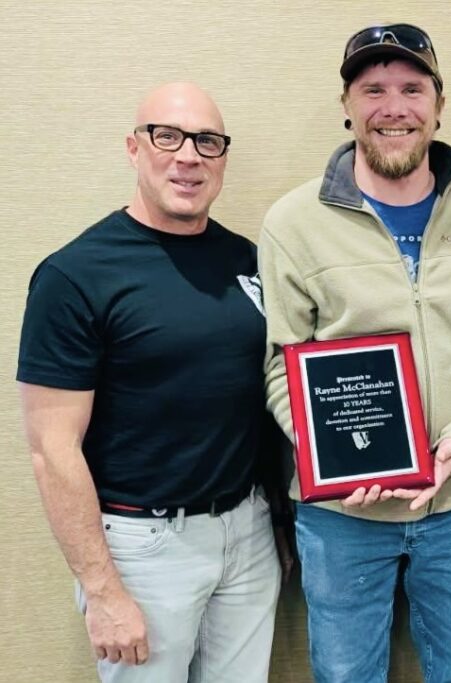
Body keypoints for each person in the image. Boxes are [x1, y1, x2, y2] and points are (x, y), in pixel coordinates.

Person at [259, 23, 451, 682]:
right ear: (347, 106)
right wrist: (334, 456)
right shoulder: (292, 224)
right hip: (341, 517)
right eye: (373, 88)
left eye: (412, 88)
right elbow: (279, 366)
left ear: (439, 104)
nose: (393, 107)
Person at [17, 82, 284, 682]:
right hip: (142, 549)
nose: (188, 156)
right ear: (134, 148)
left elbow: (266, 393)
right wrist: (103, 590)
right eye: (168, 136)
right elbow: (50, 450)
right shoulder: (76, 275)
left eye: (207, 142)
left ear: (222, 159)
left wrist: (279, 522)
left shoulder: (249, 261)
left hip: (247, 533)